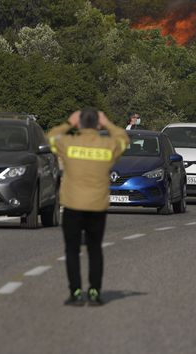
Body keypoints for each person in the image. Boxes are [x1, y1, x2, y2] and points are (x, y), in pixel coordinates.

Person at [47, 108, 128, 307]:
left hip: (73, 205)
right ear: (97, 124)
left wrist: (69, 123)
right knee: (94, 249)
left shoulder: (68, 143)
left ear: (80, 124)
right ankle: (94, 292)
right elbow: (124, 139)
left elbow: (49, 137)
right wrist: (107, 123)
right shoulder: (107, 145)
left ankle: (75, 292)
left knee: (72, 250)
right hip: (97, 206)